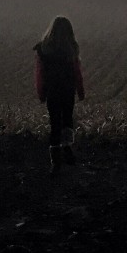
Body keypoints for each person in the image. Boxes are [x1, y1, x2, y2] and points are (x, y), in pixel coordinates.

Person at [34, 15, 85, 175]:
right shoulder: (71, 48)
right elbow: (77, 72)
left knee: (55, 123)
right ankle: (67, 149)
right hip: (67, 90)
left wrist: (41, 92)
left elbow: (40, 74)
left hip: (52, 91)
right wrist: (80, 90)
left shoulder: (43, 49)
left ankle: (55, 161)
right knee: (67, 120)